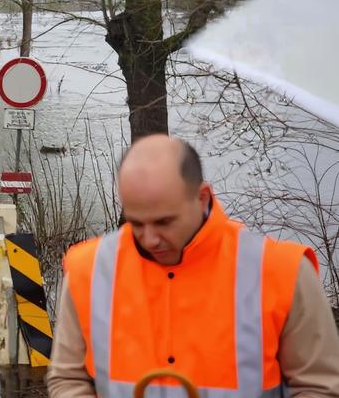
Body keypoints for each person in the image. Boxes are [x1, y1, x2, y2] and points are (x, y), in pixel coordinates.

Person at [46, 134, 339, 397]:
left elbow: (319, 386)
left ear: (202, 197)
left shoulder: (283, 271)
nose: (150, 239)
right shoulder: (89, 269)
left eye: (164, 222)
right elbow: (68, 379)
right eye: (136, 223)